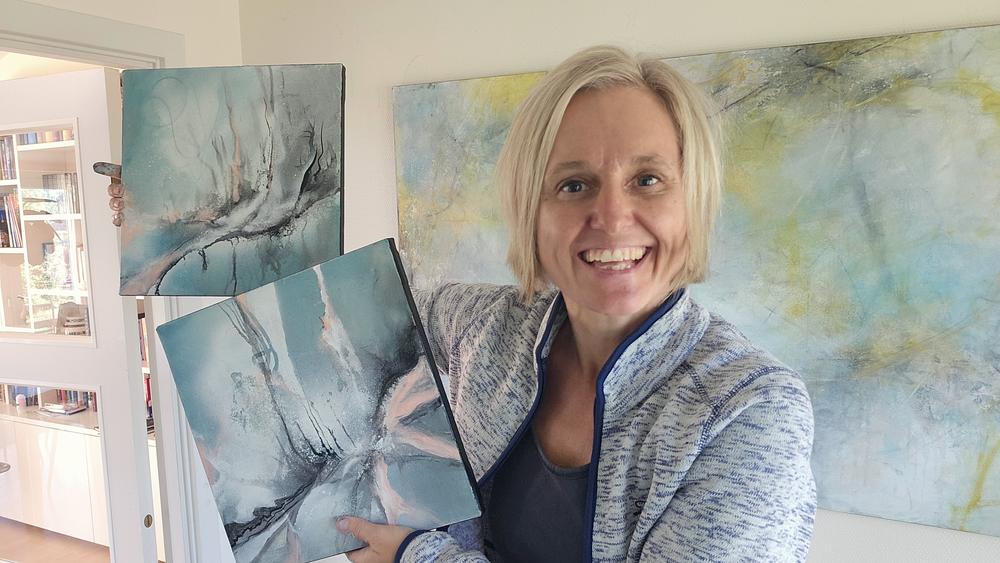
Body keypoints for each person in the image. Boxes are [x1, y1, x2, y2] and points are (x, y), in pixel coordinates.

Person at [105, 45, 816, 562]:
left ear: (694, 199)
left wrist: (419, 558)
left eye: (648, 179)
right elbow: (321, 299)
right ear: (531, 210)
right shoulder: (485, 325)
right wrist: (171, 213)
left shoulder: (749, 411)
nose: (611, 216)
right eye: (572, 184)